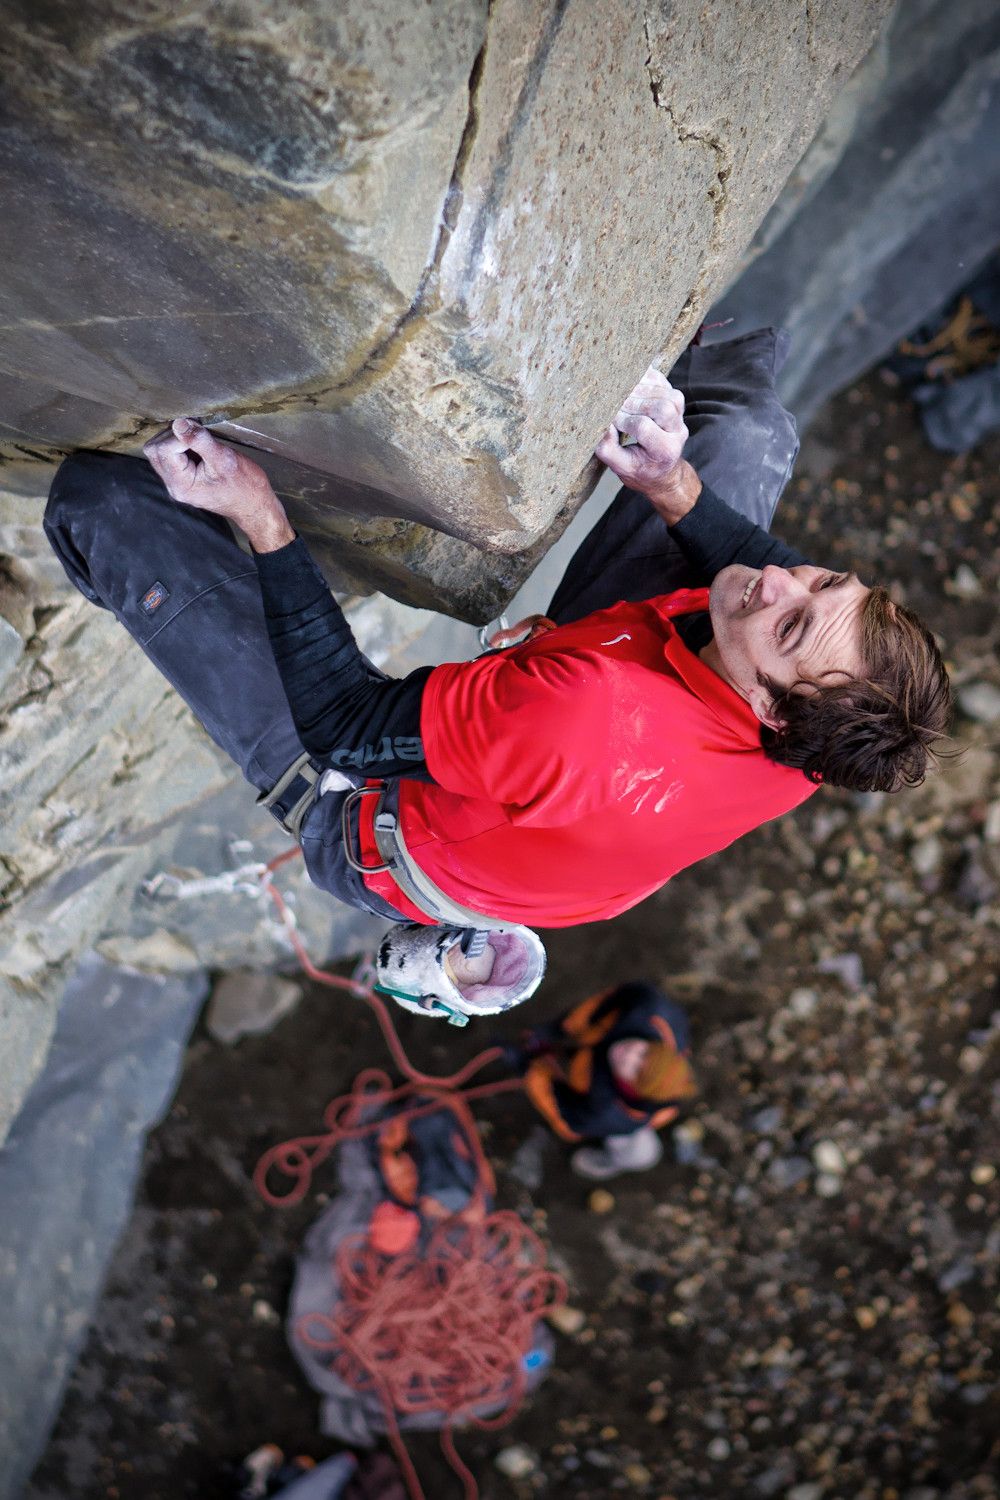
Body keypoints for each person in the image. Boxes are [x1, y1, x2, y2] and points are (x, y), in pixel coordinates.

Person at [44, 331, 951, 1011]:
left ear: (772, 712)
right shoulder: (827, 730)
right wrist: (672, 485)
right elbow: (770, 575)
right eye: (830, 581)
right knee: (743, 432)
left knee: (103, 501)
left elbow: (347, 725)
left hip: (366, 805)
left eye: (792, 622)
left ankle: (457, 916)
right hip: (585, 769)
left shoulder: (584, 715)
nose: (782, 578)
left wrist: (261, 517)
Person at [513, 980, 697, 1179]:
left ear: (630, 1089)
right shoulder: (647, 1008)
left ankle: (614, 1160)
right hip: (601, 1060)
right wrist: (560, 1029)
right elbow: (604, 1003)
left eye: (635, 1071)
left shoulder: (604, 1112)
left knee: (640, 1154)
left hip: (626, 1122)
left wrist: (528, 1065)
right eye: (643, 1052)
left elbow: (565, 1118)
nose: (629, 1055)